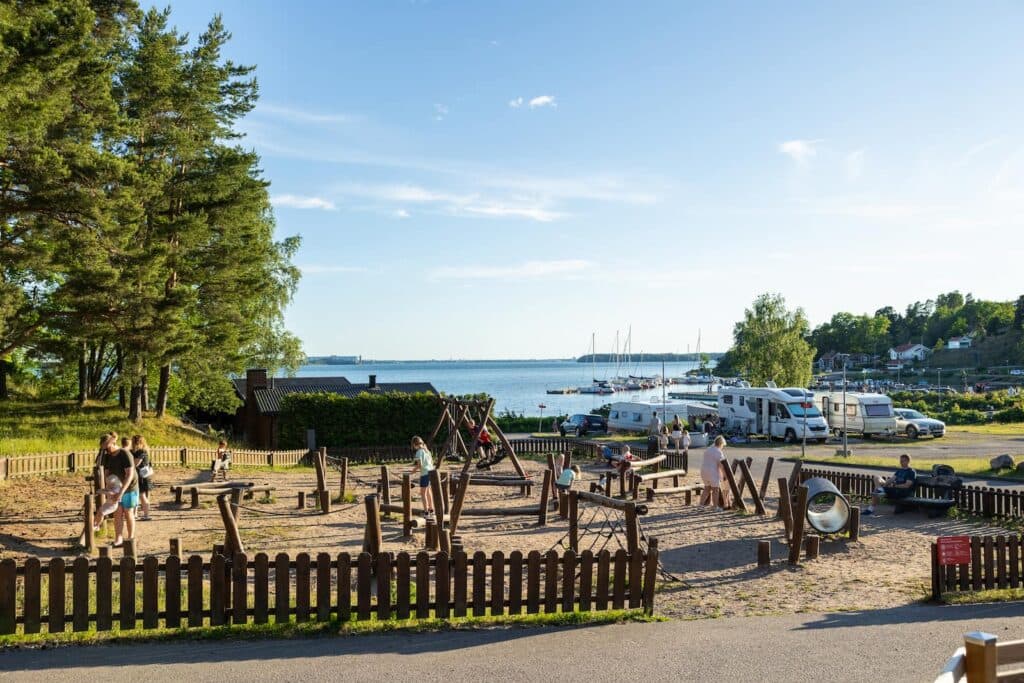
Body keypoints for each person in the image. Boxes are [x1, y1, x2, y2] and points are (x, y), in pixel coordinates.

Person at [102, 433, 138, 547]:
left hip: (129, 488)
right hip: (115, 488)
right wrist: (108, 490)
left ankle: (130, 538)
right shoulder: (107, 455)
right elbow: (106, 473)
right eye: (104, 449)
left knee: (128, 512)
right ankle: (118, 538)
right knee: (117, 513)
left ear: (113, 443)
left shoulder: (124, 454)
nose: (106, 451)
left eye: (107, 448)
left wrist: (121, 492)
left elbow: (129, 474)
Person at [698, 435, 731, 508]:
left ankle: (701, 504)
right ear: (721, 444)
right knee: (715, 490)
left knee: (707, 488)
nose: (722, 447)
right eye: (723, 445)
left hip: (704, 471)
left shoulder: (708, 449)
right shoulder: (718, 452)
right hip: (712, 472)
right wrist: (725, 475)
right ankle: (715, 506)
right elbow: (721, 465)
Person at [408, 436, 435, 519]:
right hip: (431, 472)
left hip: (425, 474)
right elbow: (431, 463)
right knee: (428, 491)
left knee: (423, 493)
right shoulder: (427, 451)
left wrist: (412, 472)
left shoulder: (419, 452)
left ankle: (426, 512)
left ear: (414, 445)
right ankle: (431, 510)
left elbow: (419, 465)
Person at [131, 434, 153, 521]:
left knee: (142, 496)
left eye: (133, 441)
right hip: (139, 476)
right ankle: (135, 514)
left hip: (141, 477)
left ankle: (146, 515)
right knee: (136, 495)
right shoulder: (139, 451)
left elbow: (136, 463)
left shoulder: (141, 452)